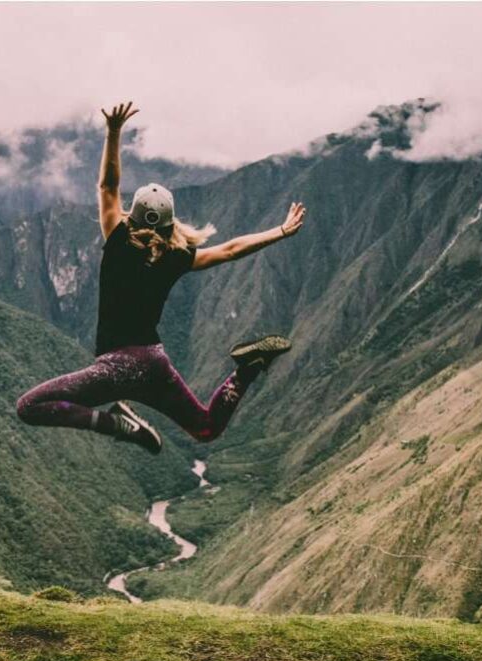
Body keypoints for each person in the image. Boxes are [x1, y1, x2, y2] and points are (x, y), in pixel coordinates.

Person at [16, 101, 307, 454]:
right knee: (205, 428)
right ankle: (246, 369)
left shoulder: (119, 239)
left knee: (29, 407)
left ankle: (117, 424)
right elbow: (230, 250)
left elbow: (108, 187)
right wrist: (279, 231)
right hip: (155, 363)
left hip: (117, 368)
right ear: (171, 223)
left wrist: (113, 132)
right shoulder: (176, 256)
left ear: (132, 216)